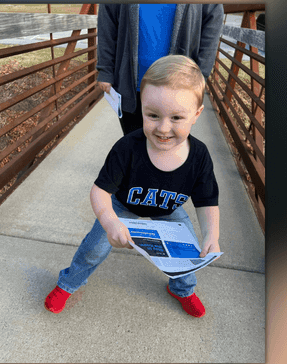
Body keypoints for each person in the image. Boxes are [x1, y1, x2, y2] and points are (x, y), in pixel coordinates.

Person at [44, 55, 221, 318]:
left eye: (176, 117)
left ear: (196, 115)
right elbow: (100, 191)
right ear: (141, 107)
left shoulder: (199, 156)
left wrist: (212, 235)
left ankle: (182, 289)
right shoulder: (128, 147)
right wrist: (109, 221)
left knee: (189, 252)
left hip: (168, 210)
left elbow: (206, 201)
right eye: (153, 115)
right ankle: (69, 282)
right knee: (95, 247)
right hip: (123, 204)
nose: (163, 128)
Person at [96, 4, 223, 135]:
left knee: (169, 145)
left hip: (180, 86)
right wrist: (105, 69)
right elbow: (107, 24)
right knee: (133, 144)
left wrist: (200, 75)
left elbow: (212, 26)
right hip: (130, 84)